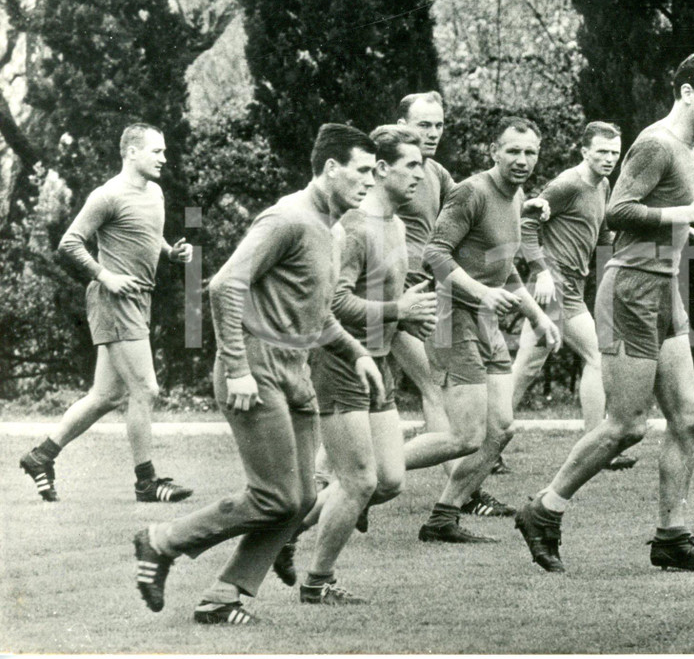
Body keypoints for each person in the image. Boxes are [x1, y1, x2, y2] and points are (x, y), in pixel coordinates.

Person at [133, 123, 383, 626]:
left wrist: (356, 350)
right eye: (361, 171)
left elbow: (316, 309)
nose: (369, 183)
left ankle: (223, 597)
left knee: (303, 498)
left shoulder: (331, 230)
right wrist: (238, 368)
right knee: (275, 496)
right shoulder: (287, 218)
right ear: (331, 168)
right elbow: (225, 285)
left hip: (295, 368)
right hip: (254, 366)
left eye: (373, 174)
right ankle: (161, 541)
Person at [515, 52, 694, 574]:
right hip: (631, 290)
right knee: (625, 425)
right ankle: (543, 510)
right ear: (686, 92)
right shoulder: (656, 142)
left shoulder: (686, 145)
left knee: (690, 415)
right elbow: (618, 210)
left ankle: (671, 538)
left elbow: (640, 212)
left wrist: (693, 230)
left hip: (663, 288)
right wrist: (688, 212)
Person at [281, 125, 437, 605]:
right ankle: (317, 582)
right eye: (411, 165)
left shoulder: (399, 225)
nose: (421, 173)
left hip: (379, 362)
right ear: (383, 169)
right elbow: (332, 303)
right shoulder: (353, 229)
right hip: (341, 361)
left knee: (388, 480)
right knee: (359, 481)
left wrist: (407, 319)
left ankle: (282, 537)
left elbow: (388, 296)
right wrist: (398, 312)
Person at [19, 123, 193, 504]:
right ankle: (146, 482)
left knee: (105, 395)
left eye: (164, 151)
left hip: (137, 299)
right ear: (131, 152)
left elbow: (146, 233)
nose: (165, 158)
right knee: (145, 389)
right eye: (157, 151)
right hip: (113, 299)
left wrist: (170, 253)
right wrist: (106, 275)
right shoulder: (107, 195)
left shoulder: (156, 193)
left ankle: (41, 456)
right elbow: (69, 242)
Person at [419, 116, 561, 543]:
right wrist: (480, 293)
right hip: (449, 317)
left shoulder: (517, 198)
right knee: (464, 436)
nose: (521, 160)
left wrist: (535, 315)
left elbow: (504, 267)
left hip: (485, 321)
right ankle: (363, 477)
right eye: (512, 151)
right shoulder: (471, 192)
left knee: (501, 428)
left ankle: (443, 516)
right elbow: (434, 254)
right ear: (493, 151)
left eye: (530, 152)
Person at [392, 91, 513, 517]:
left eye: (439, 125)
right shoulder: (383, 169)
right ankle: (353, 480)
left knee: (422, 390)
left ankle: (457, 493)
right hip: (389, 295)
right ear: (402, 124)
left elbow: (464, 218)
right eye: (423, 124)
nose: (433, 133)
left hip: (423, 293)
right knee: (416, 389)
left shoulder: (438, 173)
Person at [512, 120, 637, 471]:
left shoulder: (604, 185)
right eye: (601, 152)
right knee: (598, 356)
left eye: (614, 152)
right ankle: (595, 447)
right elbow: (526, 224)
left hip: (572, 288)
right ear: (584, 151)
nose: (609, 158)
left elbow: (601, 238)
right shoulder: (567, 184)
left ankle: (484, 439)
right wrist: (540, 272)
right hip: (556, 288)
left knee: (525, 368)